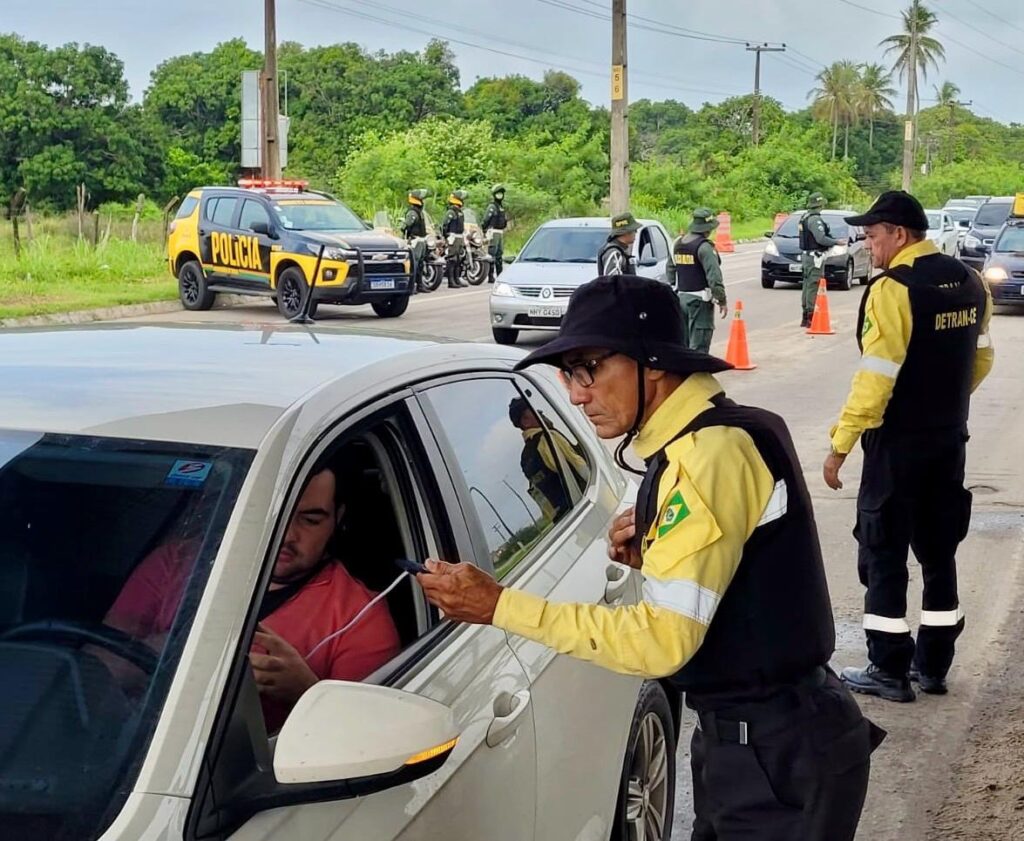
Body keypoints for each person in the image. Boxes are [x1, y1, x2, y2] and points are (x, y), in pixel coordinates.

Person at [419, 275, 884, 840]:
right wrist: (660, 553)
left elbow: (663, 642)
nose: (576, 394)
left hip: (773, 758)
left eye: (588, 368)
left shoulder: (707, 456)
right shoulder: (734, 428)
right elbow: (754, 566)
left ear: (654, 364)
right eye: (567, 373)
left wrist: (499, 606)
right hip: (765, 743)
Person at [824, 190, 995, 702]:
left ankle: (888, 669)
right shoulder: (970, 281)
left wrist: (841, 444)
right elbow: (982, 359)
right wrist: (942, 403)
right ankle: (934, 666)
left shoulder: (893, 288)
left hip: (897, 447)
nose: (868, 246)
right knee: (939, 550)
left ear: (899, 234)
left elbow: (876, 378)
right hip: (948, 440)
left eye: (873, 236)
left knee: (884, 553)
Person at [103, 466, 401, 732]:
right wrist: (172, 650)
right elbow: (96, 671)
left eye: (310, 520)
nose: (287, 535)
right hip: (131, 747)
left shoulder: (360, 615)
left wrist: (304, 692)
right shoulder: (175, 563)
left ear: (338, 519)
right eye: (274, 514)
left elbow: (363, 738)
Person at [507, 396, 588, 521]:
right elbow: (582, 468)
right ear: (526, 421)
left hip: (566, 520)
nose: (540, 412)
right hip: (585, 504)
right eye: (533, 410)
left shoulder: (525, 458)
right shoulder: (548, 438)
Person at [667, 207, 728, 353]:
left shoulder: (678, 244)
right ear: (708, 229)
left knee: (684, 346)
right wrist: (721, 299)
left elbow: (670, 270)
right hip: (700, 303)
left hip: (681, 299)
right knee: (699, 348)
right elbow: (714, 277)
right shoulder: (705, 247)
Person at [799, 192, 840, 327]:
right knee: (813, 284)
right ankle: (811, 316)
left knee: (807, 284)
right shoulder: (815, 219)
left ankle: (806, 315)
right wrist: (836, 242)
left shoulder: (805, 217)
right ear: (820, 204)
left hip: (807, 256)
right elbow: (821, 238)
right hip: (814, 257)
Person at [401, 188, 430, 293]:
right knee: (414, 264)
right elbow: (405, 226)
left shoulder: (419, 212)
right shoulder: (412, 212)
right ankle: (411, 285)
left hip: (421, 240)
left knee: (421, 264)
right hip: (415, 240)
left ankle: (420, 285)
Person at [440, 189, 468, 289]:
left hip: (459, 237)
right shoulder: (451, 212)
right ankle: (451, 281)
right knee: (452, 259)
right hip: (453, 237)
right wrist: (446, 236)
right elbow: (445, 225)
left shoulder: (460, 212)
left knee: (458, 259)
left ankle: (456, 279)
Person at [481, 184, 508, 283]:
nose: (500, 195)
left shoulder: (501, 207)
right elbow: (486, 219)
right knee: (492, 254)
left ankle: (500, 276)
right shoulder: (492, 207)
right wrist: (484, 230)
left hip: (500, 232)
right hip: (493, 232)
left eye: (501, 193)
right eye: (498, 193)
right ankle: (490, 276)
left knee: (499, 255)